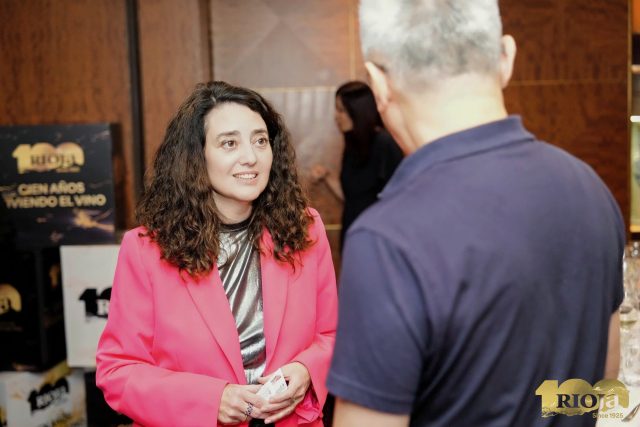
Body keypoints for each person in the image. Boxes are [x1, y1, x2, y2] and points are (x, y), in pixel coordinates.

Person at [327, 1, 624, 426]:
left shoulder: (388, 237)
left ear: (378, 84)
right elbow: (601, 382)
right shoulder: (589, 187)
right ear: (506, 58)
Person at [96, 81, 338, 427]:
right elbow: (118, 370)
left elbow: (332, 335)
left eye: (260, 141)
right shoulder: (147, 250)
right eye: (229, 143)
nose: (251, 157)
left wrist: (306, 370)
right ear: (196, 156)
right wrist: (211, 401)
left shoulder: (304, 230)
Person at [312, 81, 403, 249]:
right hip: (353, 238)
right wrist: (327, 177)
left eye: (341, 110)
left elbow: (398, 201)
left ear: (358, 111)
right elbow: (354, 198)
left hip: (376, 242)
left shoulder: (384, 144)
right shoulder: (353, 146)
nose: (336, 116)